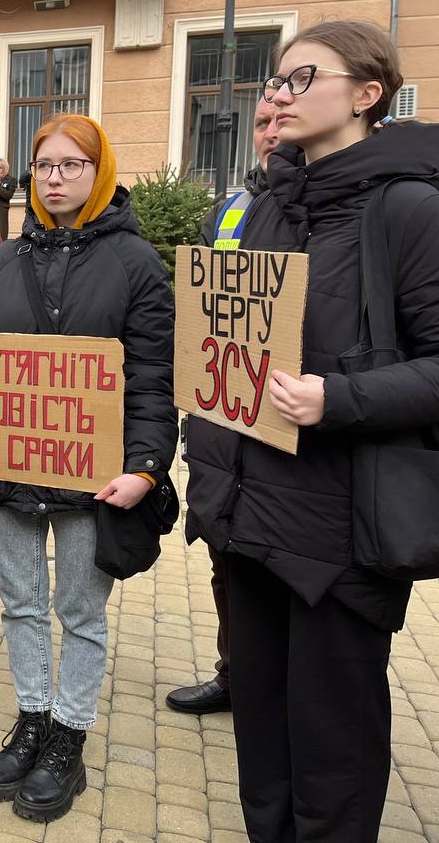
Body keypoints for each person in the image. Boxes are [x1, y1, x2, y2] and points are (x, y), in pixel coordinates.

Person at [188, 20, 439, 841]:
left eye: (303, 78)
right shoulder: (267, 208)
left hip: (341, 539)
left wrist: (340, 399)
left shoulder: (410, 209)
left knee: (333, 755)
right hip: (251, 522)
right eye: (276, 79)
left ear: (367, 95)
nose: (279, 94)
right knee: (262, 743)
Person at [0, 114, 176, 823]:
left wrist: (146, 467)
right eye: (44, 166)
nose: (55, 178)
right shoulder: (3, 262)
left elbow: (153, 376)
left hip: (92, 478)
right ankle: (33, 719)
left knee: (80, 611)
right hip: (10, 472)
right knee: (20, 602)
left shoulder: (136, 263)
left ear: (99, 173)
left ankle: (69, 735)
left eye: (72, 165)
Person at [168, 96, 280, 716]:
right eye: (262, 122)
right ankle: (235, 676)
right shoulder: (230, 212)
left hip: (299, 418)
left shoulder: (356, 210)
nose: (271, 132)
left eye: (281, 118)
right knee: (227, 555)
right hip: (227, 418)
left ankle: (282, 691)